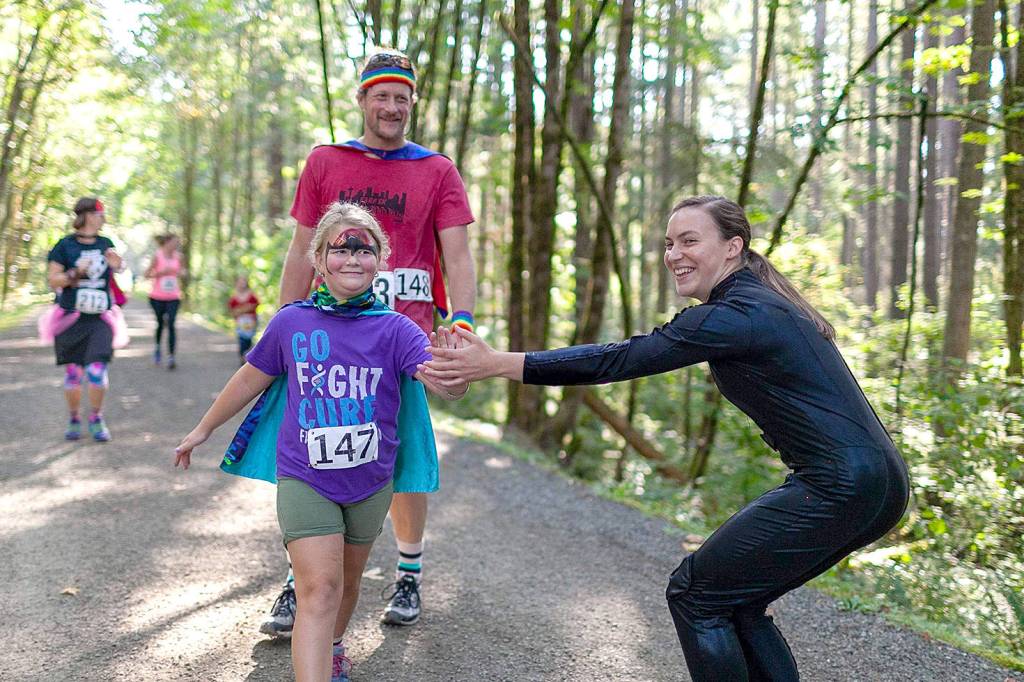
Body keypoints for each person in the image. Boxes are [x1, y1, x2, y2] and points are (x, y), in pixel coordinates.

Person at [420, 195, 910, 682]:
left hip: (840, 484)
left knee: (694, 593)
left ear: (733, 246)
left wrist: (497, 364)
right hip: (879, 484)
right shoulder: (760, 303)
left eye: (690, 240)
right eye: (669, 243)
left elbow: (620, 358)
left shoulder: (735, 314)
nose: (674, 254)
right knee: (738, 601)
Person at [174, 202, 466, 682]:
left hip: (372, 484)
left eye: (365, 249)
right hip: (305, 478)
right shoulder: (293, 323)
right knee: (319, 587)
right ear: (319, 260)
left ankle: (332, 646)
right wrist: (203, 428)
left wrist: (456, 373)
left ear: (380, 260)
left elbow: (444, 385)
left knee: (348, 585)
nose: (353, 258)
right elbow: (251, 378)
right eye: (341, 248)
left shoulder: (397, 330)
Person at [268, 47, 476, 636]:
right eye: (381, 96)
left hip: (400, 340)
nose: (392, 107)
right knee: (313, 451)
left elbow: (457, 255)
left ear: (413, 104)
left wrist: (461, 324)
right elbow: (302, 247)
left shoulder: (436, 170)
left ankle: (408, 570)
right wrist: (286, 321)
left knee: (401, 455)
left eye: (402, 98)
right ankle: (300, 580)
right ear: (362, 100)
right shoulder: (327, 160)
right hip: (326, 334)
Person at [45, 197, 126, 442]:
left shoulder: (105, 243)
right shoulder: (64, 245)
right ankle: (73, 417)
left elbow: (120, 269)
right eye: (100, 213)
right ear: (88, 215)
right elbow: (53, 280)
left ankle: (96, 417)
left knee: (96, 371)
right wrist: (75, 272)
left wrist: (118, 264)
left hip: (100, 319)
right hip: (70, 318)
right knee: (73, 374)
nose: (103, 218)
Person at [145, 233, 185, 369]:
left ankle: (171, 356)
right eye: (174, 242)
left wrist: (182, 273)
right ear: (167, 242)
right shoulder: (157, 255)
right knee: (160, 323)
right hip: (157, 296)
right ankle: (157, 348)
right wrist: (161, 273)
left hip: (174, 296)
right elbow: (147, 274)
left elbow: (184, 272)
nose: (176, 245)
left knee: (172, 324)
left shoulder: (179, 257)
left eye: (177, 243)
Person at [228, 275, 260, 365]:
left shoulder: (251, 295)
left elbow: (255, 305)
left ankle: (247, 355)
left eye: (243, 281)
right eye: (240, 282)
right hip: (240, 322)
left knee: (249, 339)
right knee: (241, 339)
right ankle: (243, 357)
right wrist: (245, 309)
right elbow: (232, 310)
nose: (242, 284)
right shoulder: (234, 297)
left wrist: (241, 310)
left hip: (251, 321)